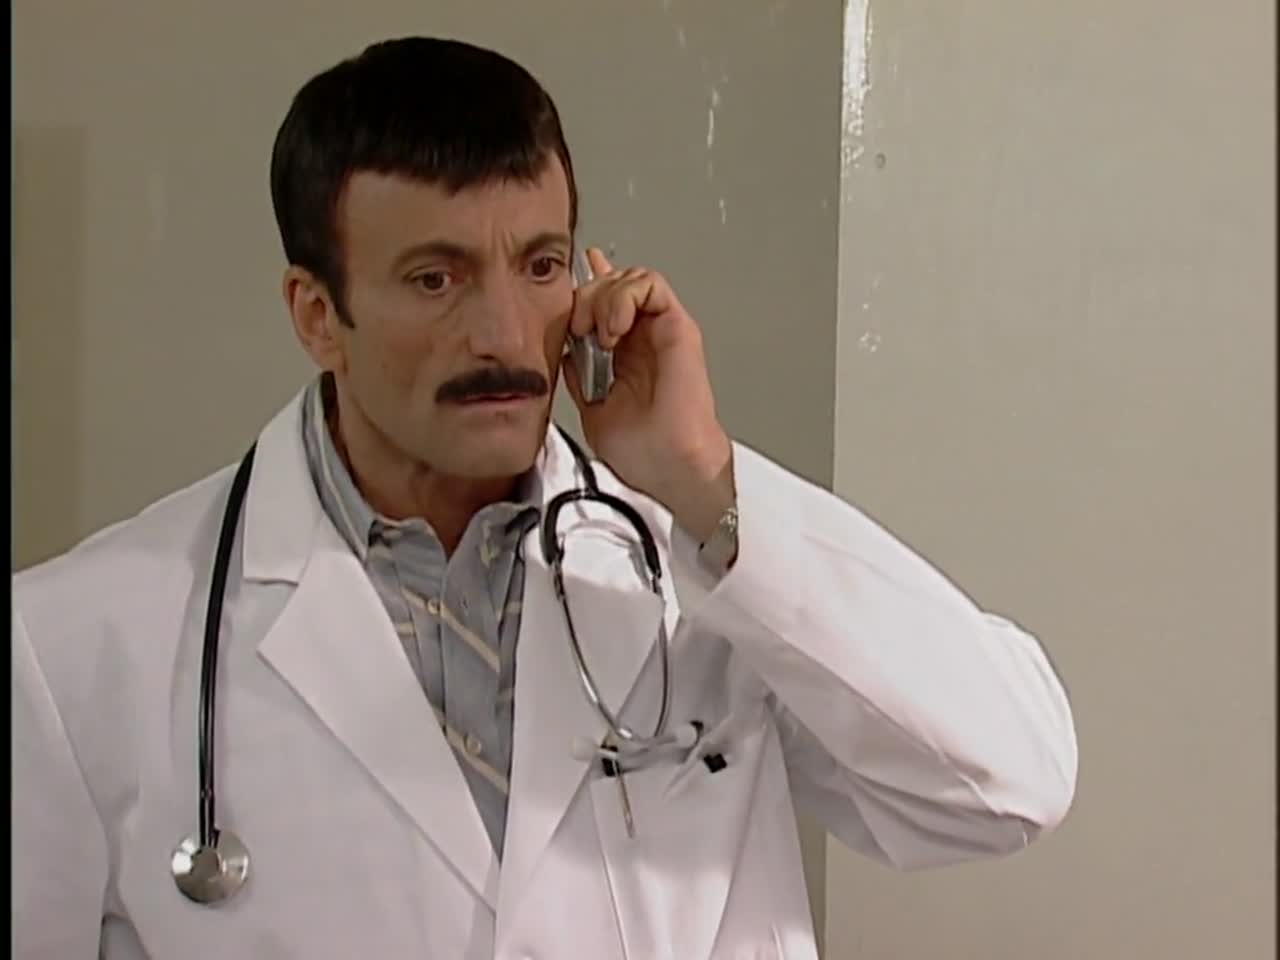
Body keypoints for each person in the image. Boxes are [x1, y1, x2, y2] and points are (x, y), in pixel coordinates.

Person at [11, 36, 1078, 960]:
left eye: (540, 265)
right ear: (316, 315)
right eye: (435, 279)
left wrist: (702, 477)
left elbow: (1005, 787)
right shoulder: (74, 647)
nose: (502, 335)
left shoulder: (699, 570)